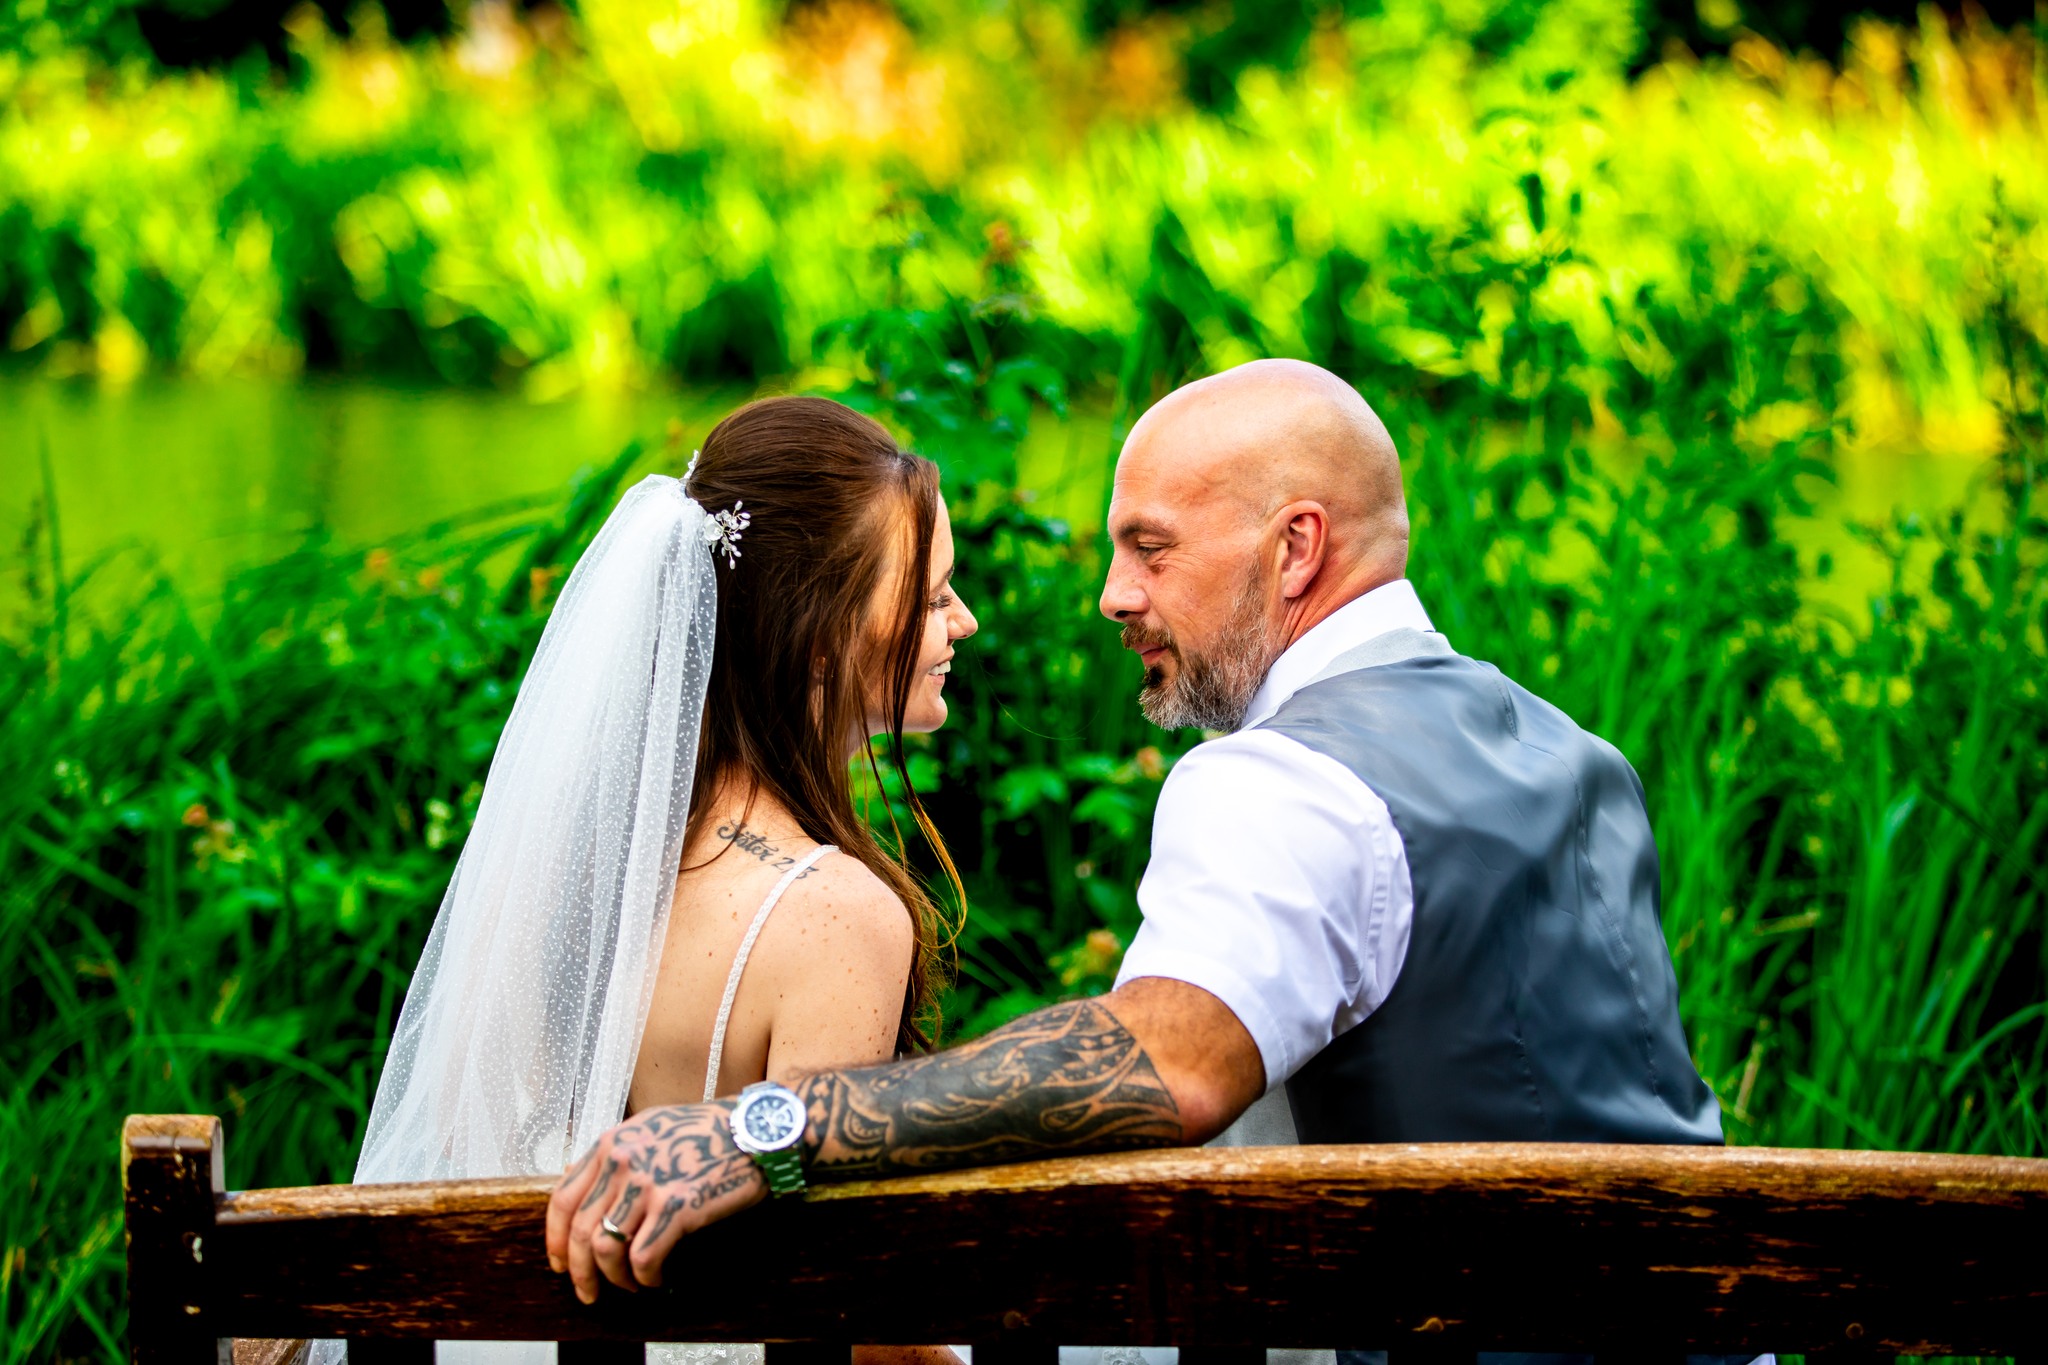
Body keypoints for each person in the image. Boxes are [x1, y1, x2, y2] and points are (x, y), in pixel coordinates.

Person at [549, 361, 1757, 1365]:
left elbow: (1164, 1064)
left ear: (1293, 550)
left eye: (1150, 549)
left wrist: (761, 1127)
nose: (1111, 596)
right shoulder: (1572, 752)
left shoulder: (1282, 780)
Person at [309, 396, 976, 1365]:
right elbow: (838, 1304)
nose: (959, 620)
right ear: (824, 636)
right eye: (926, 596)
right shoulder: (836, 918)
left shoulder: (575, 863)